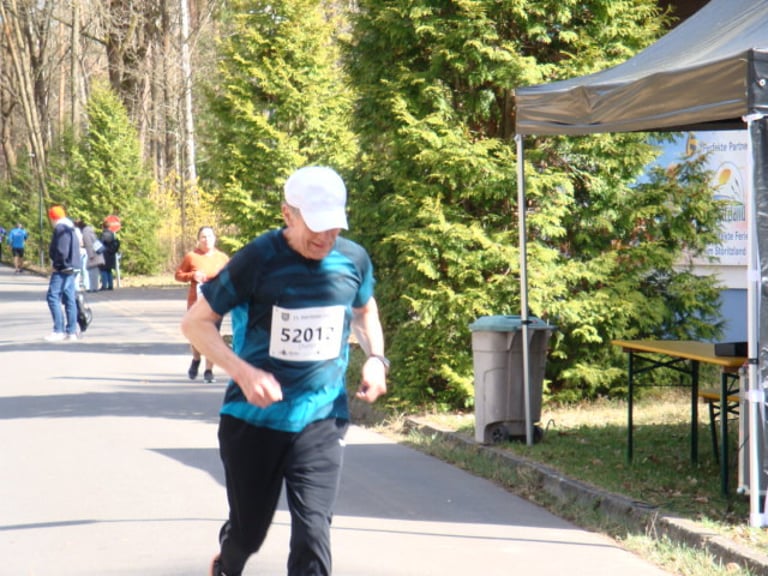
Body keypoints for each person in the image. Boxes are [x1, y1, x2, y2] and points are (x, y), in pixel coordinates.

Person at [181, 166, 388, 576]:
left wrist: (376, 358)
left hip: (322, 417)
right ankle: (227, 562)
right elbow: (195, 323)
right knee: (248, 533)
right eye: (316, 226)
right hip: (254, 419)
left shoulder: (353, 260)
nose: (325, 237)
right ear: (287, 214)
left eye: (334, 226)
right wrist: (244, 373)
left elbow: (365, 311)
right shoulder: (258, 259)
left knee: (314, 532)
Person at [175, 226, 230, 383]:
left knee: (212, 336)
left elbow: (231, 276)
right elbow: (178, 275)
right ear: (198, 240)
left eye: (210, 236)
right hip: (196, 302)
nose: (207, 240)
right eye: (203, 237)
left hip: (216, 303)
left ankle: (208, 371)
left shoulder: (222, 258)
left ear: (215, 238)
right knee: (196, 336)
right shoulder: (191, 257)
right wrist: (192, 275)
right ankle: (196, 359)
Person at [45, 205, 80, 342]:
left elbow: (62, 250)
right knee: (69, 298)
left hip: (63, 268)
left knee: (52, 297)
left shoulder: (61, 229)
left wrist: (56, 265)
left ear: (53, 218)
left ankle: (58, 330)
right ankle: (71, 331)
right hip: (71, 267)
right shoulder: (70, 228)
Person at [76, 220, 105, 292]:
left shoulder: (85, 233)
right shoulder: (89, 230)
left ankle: (93, 288)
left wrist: (91, 255)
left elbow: (89, 244)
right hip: (96, 253)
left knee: (92, 272)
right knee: (94, 272)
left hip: (93, 255)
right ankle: (94, 287)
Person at [99, 221, 120, 290]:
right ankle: (111, 285)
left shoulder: (103, 234)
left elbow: (100, 244)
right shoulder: (112, 234)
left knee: (103, 270)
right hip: (111, 254)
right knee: (109, 270)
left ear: (103, 226)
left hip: (105, 254)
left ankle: (104, 285)